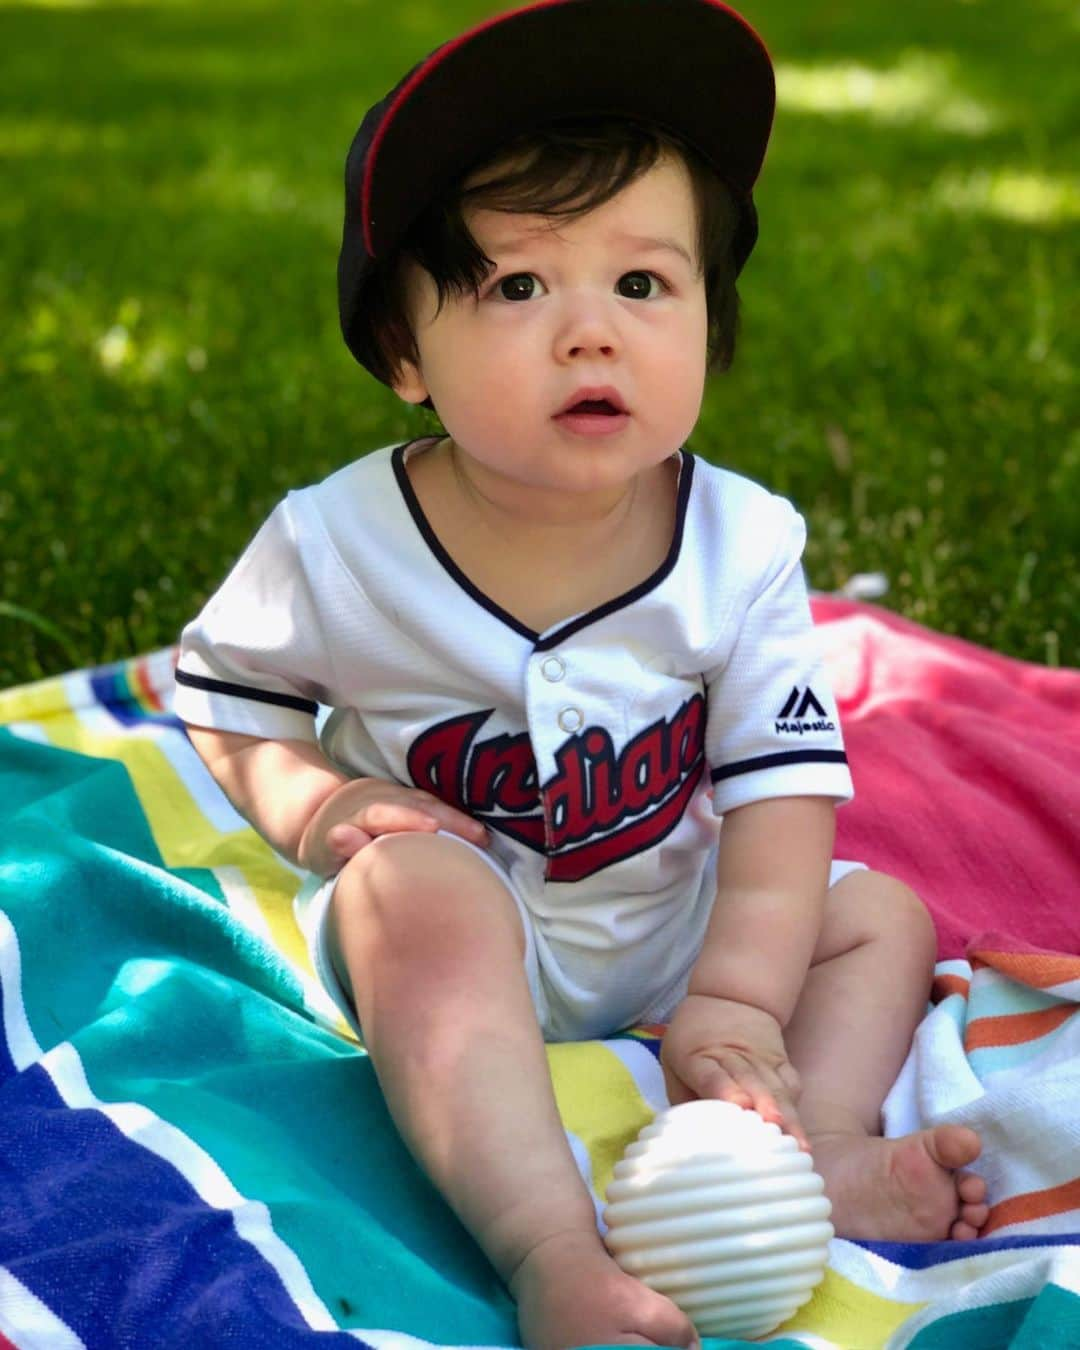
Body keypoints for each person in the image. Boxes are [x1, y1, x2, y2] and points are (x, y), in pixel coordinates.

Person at [174, 2, 988, 1344]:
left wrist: (734, 994)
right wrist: (313, 806)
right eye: (517, 284)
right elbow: (225, 693)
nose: (589, 331)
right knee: (410, 888)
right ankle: (552, 1247)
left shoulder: (740, 545)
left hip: (669, 913)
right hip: (470, 916)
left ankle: (822, 1142)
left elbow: (782, 793)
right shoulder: (336, 543)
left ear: (710, 331)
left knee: (877, 916)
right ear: (400, 352)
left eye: (643, 283)